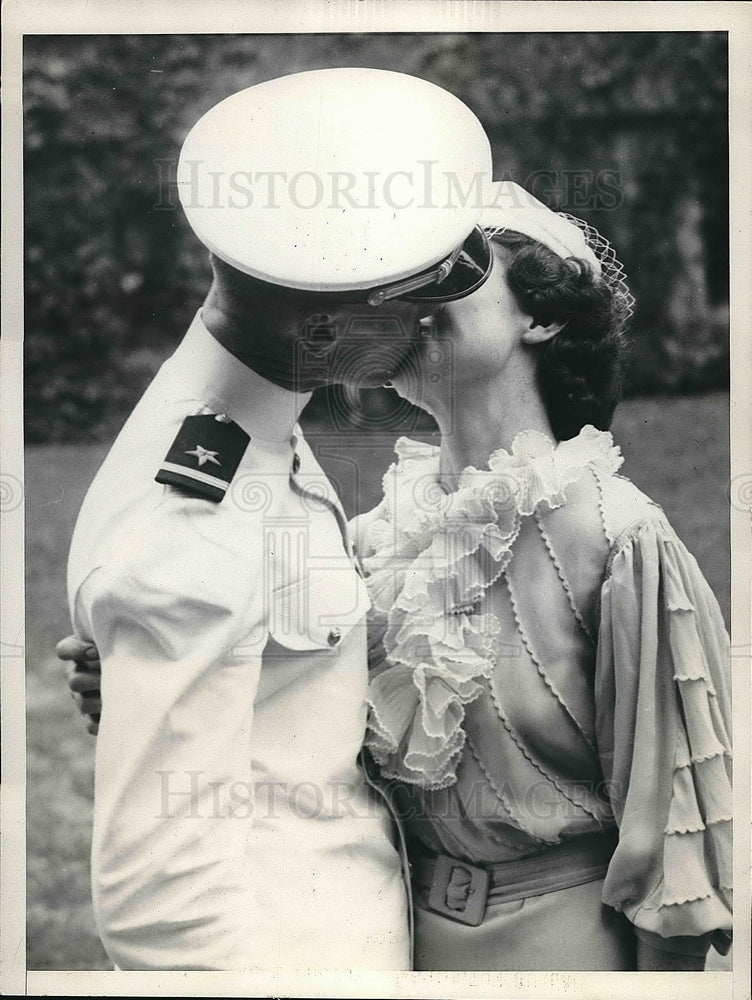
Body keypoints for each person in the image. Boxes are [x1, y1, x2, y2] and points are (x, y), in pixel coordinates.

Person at [56, 67, 495, 971]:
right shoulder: (194, 518)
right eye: (411, 309)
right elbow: (160, 918)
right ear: (328, 334)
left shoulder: (241, 425)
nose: (424, 331)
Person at [349, 181, 733, 972]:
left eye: (453, 273)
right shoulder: (377, 535)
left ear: (544, 314)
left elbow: (673, 828)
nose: (410, 300)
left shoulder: (615, 534)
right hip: (385, 942)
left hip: (562, 951)